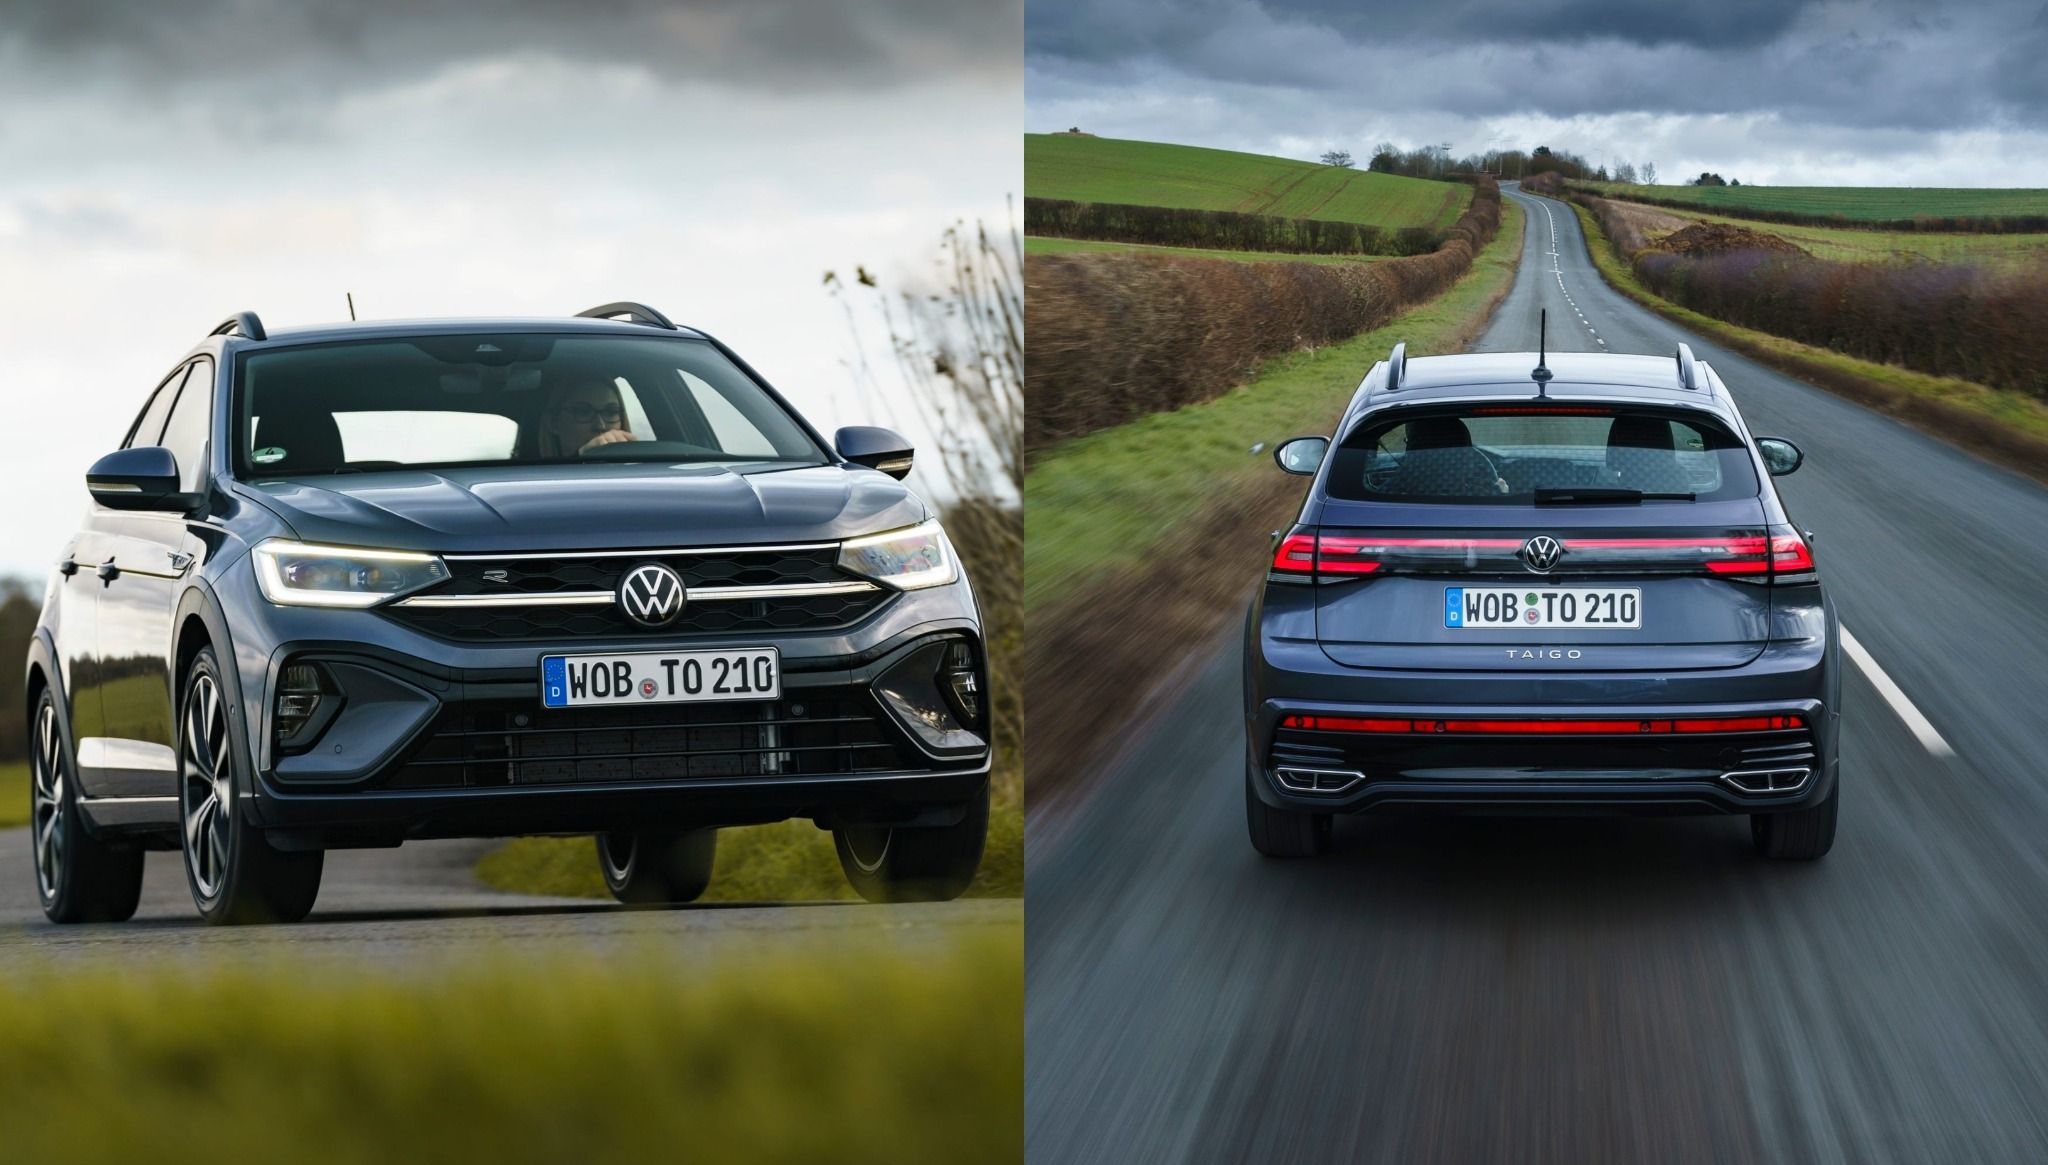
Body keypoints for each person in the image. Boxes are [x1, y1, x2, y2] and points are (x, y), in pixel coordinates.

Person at [537, 375, 637, 457]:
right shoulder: (537, 478)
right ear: (553, 422)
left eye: (611, 412)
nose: (600, 426)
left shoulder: (639, 473)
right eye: (583, 412)